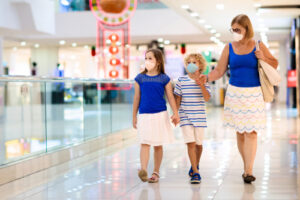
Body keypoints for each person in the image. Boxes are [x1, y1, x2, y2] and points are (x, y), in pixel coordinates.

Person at [199, 14, 278, 183]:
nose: (234, 32)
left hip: (254, 93)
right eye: (232, 29)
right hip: (235, 93)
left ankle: (249, 170)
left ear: (247, 29)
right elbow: (219, 71)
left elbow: (274, 63)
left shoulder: (258, 45)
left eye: (238, 30)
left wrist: (262, 58)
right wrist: (205, 78)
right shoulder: (229, 47)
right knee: (241, 132)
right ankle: (246, 166)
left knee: (252, 132)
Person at [132, 48, 180, 183]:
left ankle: (156, 172)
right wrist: (134, 116)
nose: (147, 61)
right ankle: (143, 170)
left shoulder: (164, 78)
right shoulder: (140, 78)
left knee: (158, 145)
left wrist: (175, 113)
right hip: (144, 115)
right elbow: (136, 98)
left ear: (158, 61)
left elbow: (170, 97)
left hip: (160, 114)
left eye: (150, 58)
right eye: (146, 58)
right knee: (144, 143)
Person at [174, 53, 211, 184]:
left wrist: (201, 84)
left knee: (199, 145)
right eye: (189, 62)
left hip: (199, 115)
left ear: (200, 65)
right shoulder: (181, 80)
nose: (191, 64)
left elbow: (207, 98)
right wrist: (175, 114)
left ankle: (195, 164)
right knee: (190, 143)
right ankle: (195, 172)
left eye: (194, 62)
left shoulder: (204, 79)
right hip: (185, 115)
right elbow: (177, 99)